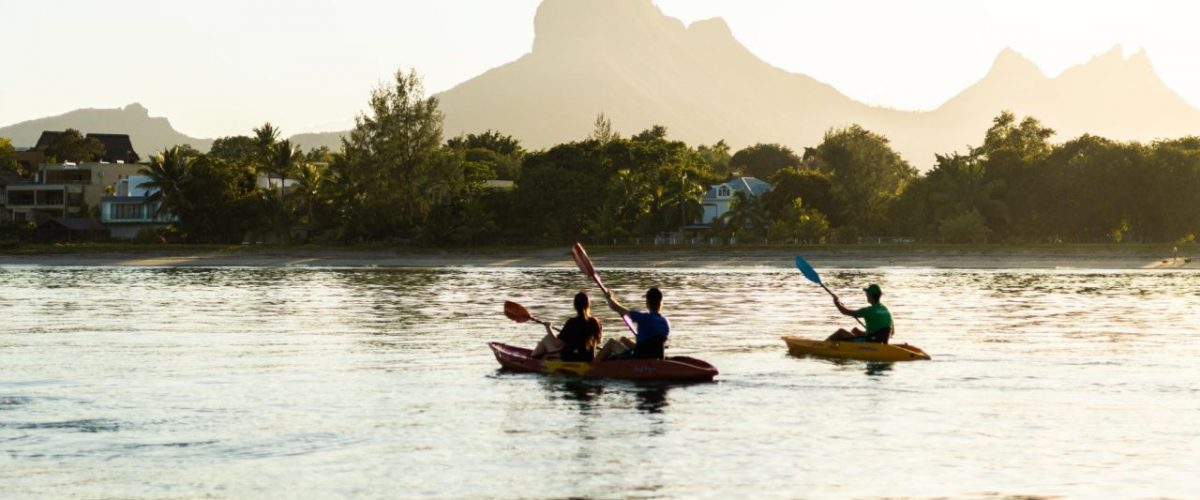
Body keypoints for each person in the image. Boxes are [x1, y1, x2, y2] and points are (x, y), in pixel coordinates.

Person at [596, 287, 670, 360]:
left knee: (611, 343)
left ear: (647, 302)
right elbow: (648, 347)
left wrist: (609, 297)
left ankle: (588, 368)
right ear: (661, 303)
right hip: (653, 357)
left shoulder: (643, 318)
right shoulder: (666, 323)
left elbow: (616, 307)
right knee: (623, 339)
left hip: (639, 359)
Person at [531, 292, 603, 362]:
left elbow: (557, 343)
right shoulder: (596, 321)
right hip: (589, 358)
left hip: (571, 358)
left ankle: (532, 359)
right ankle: (540, 357)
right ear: (588, 305)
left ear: (575, 306)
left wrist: (548, 328)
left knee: (547, 338)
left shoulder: (571, 322)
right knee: (551, 340)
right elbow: (599, 341)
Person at [826, 283, 893, 344]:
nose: (866, 295)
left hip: (871, 342)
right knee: (855, 330)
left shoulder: (868, 311)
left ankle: (822, 345)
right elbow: (892, 332)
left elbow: (845, 311)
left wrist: (837, 302)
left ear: (870, 295)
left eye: (867, 293)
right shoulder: (885, 309)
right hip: (878, 339)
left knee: (841, 332)